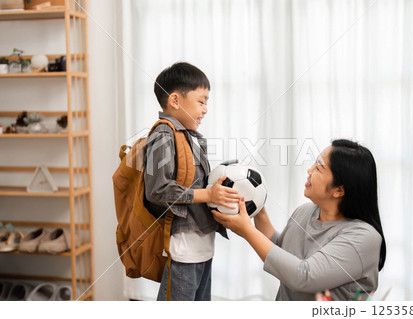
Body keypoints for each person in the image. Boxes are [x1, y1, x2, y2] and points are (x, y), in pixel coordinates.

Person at [212, 139, 386, 301]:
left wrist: (247, 231)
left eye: (319, 168)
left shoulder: (364, 238)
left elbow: (304, 276)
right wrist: (257, 207)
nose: (309, 171)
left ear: (339, 190)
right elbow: (281, 253)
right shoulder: (305, 212)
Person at [144, 62, 240, 301]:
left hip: (202, 247)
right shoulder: (163, 135)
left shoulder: (190, 137)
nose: (206, 109)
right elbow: (157, 190)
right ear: (175, 101)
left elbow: (196, 183)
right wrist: (208, 195)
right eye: (201, 101)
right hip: (183, 249)